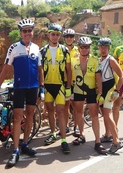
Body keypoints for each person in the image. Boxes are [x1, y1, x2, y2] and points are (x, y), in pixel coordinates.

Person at [0, 19, 44, 167]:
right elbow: (5, 68)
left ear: (32, 32)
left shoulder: (36, 48)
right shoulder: (14, 48)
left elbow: (40, 70)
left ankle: (25, 144)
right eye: (24, 31)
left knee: (30, 117)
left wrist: (42, 88)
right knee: (17, 118)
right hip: (20, 88)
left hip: (33, 88)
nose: (27, 33)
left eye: (29, 30)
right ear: (21, 33)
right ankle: (15, 150)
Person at [71, 36, 107, 154]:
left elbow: (99, 78)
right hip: (78, 90)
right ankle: (81, 135)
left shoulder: (95, 60)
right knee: (79, 113)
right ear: (79, 48)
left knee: (94, 115)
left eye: (87, 47)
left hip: (91, 90)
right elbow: (69, 76)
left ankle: (97, 141)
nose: (84, 49)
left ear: (90, 48)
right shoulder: (73, 60)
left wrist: (100, 94)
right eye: (82, 47)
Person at [41, 23, 72, 154]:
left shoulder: (65, 50)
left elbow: (69, 70)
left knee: (60, 111)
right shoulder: (42, 51)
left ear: (60, 36)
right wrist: (41, 87)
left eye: (57, 35)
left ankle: (64, 140)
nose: (55, 37)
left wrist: (69, 87)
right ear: (48, 35)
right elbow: (40, 70)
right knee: (50, 111)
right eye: (53, 34)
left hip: (60, 85)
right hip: (47, 86)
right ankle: (53, 133)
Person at [97, 37, 123, 154]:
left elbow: (122, 76)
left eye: (105, 47)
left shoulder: (111, 60)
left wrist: (116, 91)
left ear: (108, 48)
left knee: (108, 115)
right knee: (105, 114)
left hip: (109, 90)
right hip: (103, 90)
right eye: (101, 47)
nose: (103, 49)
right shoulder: (99, 60)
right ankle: (108, 134)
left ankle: (116, 141)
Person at [62, 28, 79, 136]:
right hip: (64, 81)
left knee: (76, 106)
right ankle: (66, 126)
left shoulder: (78, 50)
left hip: (76, 82)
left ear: (74, 38)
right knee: (65, 105)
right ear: (64, 38)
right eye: (67, 36)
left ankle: (76, 127)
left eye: (71, 36)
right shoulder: (61, 49)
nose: (69, 38)